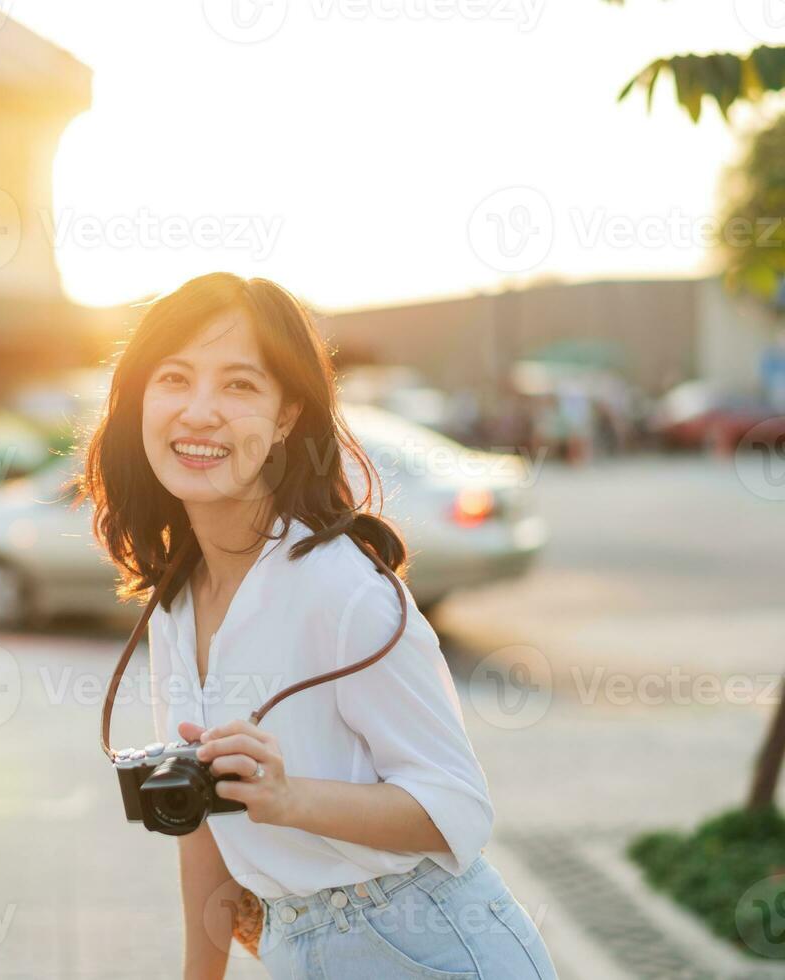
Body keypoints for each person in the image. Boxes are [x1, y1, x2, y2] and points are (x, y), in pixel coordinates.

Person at [78, 273, 556, 979]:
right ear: (139, 401)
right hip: (295, 948)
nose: (201, 411)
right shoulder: (176, 603)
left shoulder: (345, 591)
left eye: (240, 386)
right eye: (174, 378)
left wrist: (289, 797)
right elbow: (204, 828)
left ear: (285, 417)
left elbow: (456, 807)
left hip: (427, 946)